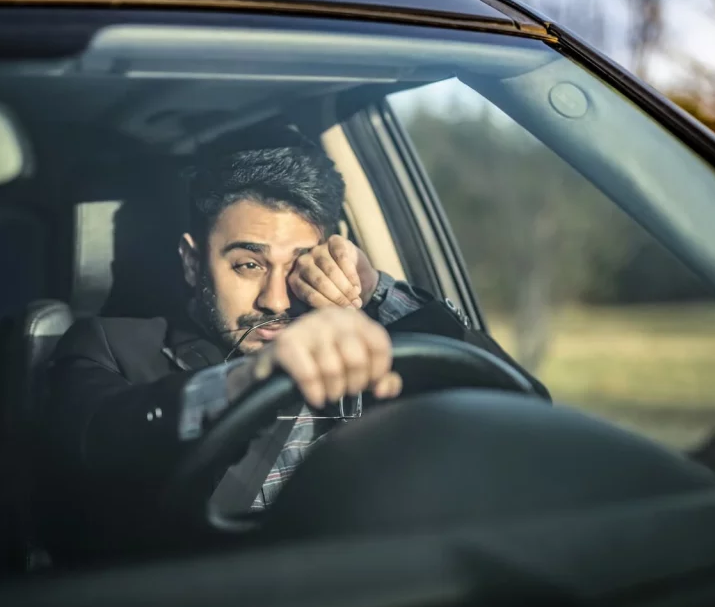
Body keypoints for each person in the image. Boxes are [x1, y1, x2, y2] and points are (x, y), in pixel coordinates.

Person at [38, 136, 548, 560]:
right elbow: (94, 436)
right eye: (248, 265)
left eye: (300, 266)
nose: (276, 300)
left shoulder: (373, 348)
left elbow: (523, 410)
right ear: (193, 263)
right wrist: (243, 381)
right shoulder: (114, 344)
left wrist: (378, 291)